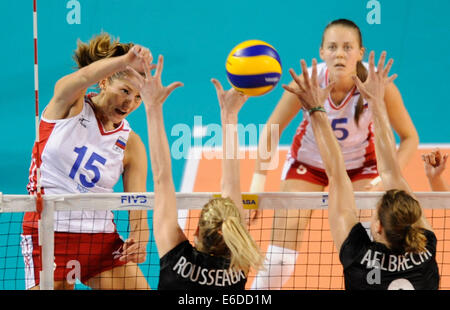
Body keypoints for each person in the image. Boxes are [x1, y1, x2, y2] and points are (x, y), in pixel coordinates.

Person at [250, 19, 419, 289]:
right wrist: (255, 190)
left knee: (366, 250)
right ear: (322, 51)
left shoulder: (377, 84)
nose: (340, 53)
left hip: (361, 168)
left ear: (360, 52)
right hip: (309, 164)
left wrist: (386, 180)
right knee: (278, 260)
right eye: (332, 46)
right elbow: (272, 130)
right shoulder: (308, 83)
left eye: (347, 47)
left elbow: (410, 138)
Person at [282, 51, 439, 289]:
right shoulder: (425, 249)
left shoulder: (357, 254)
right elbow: (386, 174)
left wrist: (315, 108)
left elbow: (337, 172)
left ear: (377, 226)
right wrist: (377, 102)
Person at [21, 33, 151, 290]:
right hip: (48, 232)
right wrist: (124, 60)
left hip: (99, 241)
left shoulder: (131, 143)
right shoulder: (69, 106)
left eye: (138, 97)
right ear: (103, 81)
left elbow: (137, 202)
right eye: (124, 90)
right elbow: (81, 77)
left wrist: (140, 234)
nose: (129, 102)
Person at [136, 54, 264, 289]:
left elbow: (162, 175)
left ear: (196, 230)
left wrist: (152, 106)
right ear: (235, 233)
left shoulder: (177, 258)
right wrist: (229, 115)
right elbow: (230, 184)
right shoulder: (240, 265)